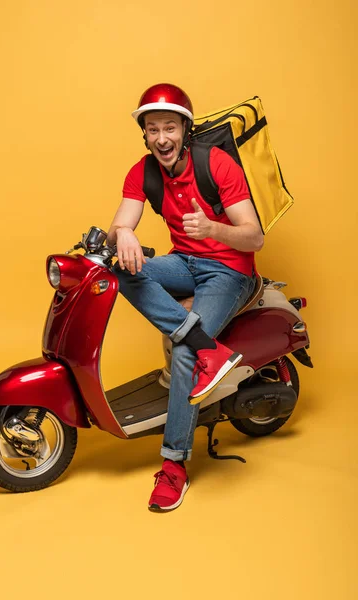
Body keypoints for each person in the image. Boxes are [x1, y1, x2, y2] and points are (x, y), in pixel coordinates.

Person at [107, 83, 264, 512]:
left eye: (169, 127)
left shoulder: (216, 163)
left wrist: (213, 229)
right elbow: (119, 223)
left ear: (184, 130)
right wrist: (123, 235)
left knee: (182, 354)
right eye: (153, 128)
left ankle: (174, 465)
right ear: (145, 134)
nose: (161, 137)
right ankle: (204, 343)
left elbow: (255, 237)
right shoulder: (142, 172)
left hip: (231, 271)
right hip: (184, 263)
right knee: (111, 265)